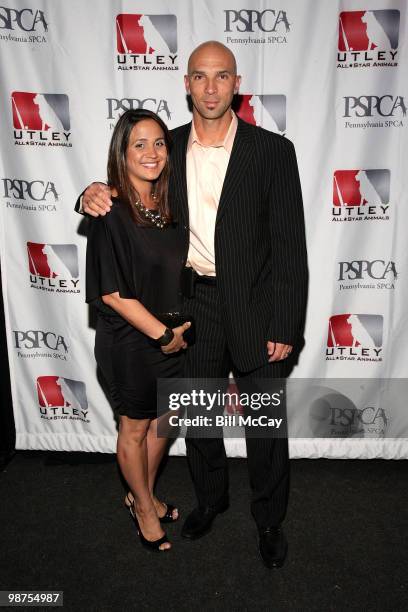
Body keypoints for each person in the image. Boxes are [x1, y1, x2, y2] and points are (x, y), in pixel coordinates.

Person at [78, 41, 308, 568]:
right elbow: (124, 189)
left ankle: (270, 520)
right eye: (200, 77)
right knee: (199, 419)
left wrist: (285, 323)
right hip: (191, 306)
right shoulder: (165, 148)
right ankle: (210, 501)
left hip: (256, 304)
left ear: (236, 83)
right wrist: (91, 191)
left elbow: (291, 247)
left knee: (265, 425)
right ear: (186, 83)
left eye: (221, 76)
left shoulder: (273, 151)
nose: (210, 88)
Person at [85, 108, 191, 552]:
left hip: (176, 338)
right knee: (134, 427)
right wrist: (163, 336)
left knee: (166, 421)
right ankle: (146, 510)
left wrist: (176, 335)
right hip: (132, 342)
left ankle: (139, 494)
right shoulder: (111, 209)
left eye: (159, 143)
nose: (152, 153)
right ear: (122, 152)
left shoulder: (168, 206)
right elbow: (112, 293)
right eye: (139, 144)